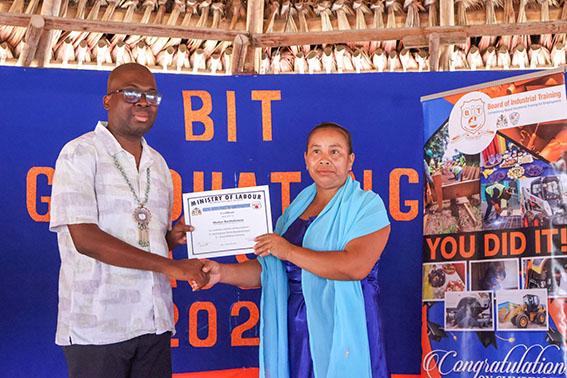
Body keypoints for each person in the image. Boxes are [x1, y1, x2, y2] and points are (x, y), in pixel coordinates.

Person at [49, 63, 206, 378]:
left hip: (153, 320)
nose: (144, 101)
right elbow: (85, 239)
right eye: (132, 92)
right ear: (108, 100)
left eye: (151, 95)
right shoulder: (79, 154)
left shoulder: (158, 164)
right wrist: (172, 267)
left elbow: (146, 236)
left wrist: (169, 240)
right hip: (98, 327)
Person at [201, 123, 391, 378]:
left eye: (334, 152)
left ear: (350, 160)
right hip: (297, 329)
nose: (325, 160)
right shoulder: (295, 209)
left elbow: (354, 266)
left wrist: (288, 251)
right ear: (306, 159)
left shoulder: (367, 205)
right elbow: (270, 268)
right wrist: (221, 273)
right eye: (316, 151)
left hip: (343, 325)